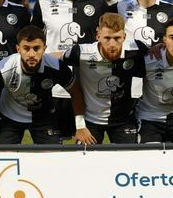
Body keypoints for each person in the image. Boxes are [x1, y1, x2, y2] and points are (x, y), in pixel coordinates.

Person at [31, 0, 108, 139]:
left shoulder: (98, 4)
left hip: (88, 89)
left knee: (86, 149)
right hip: (53, 89)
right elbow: (33, 40)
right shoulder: (44, 3)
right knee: (52, 149)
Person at [0, 25, 78, 145]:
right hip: (9, 116)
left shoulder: (56, 66)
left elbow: (75, 91)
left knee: (53, 157)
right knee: (3, 157)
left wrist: (80, 126)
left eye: (36, 48)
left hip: (44, 117)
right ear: (18, 49)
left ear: (44, 48)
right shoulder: (4, 68)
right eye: (26, 48)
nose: (31, 54)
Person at [60, 13, 146, 144]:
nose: (112, 44)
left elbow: (158, 54)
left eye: (117, 38)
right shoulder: (81, 52)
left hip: (123, 120)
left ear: (124, 37)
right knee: (83, 158)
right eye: (107, 38)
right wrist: (80, 126)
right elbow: (55, 58)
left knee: (130, 159)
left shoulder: (136, 49)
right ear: (98, 36)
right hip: (91, 121)